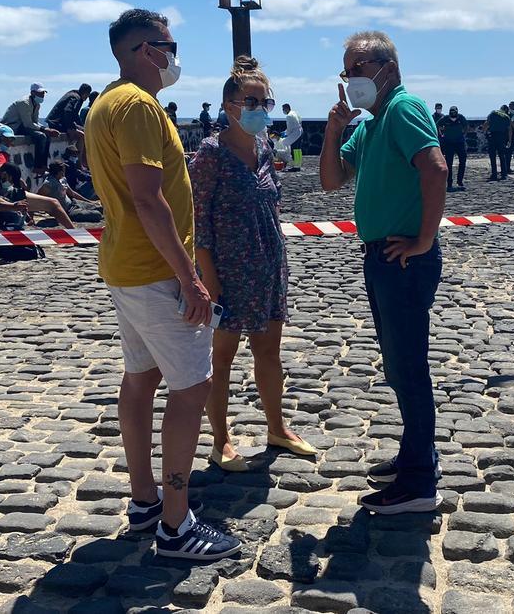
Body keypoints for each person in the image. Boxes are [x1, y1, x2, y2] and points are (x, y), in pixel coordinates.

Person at [84, 8, 240, 561]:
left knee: (140, 377)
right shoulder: (139, 107)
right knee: (191, 387)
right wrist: (190, 279)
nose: (175, 55)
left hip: (125, 267)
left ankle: (146, 499)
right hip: (154, 272)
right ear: (145, 49)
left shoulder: (104, 104)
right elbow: (149, 199)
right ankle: (176, 525)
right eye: (169, 45)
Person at [320, 30, 448, 515]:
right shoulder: (369, 122)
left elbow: (433, 169)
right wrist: (334, 131)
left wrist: (424, 238)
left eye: (356, 69)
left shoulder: (402, 107)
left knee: (409, 367)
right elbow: (331, 181)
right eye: (346, 71)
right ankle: (418, 456)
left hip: (403, 259)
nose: (350, 79)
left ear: (386, 69)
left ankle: (418, 484)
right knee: (398, 366)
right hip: (379, 257)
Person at [189, 56, 315, 474]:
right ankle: (220, 440)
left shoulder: (263, 147)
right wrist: (208, 276)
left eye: (265, 101)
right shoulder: (210, 153)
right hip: (227, 270)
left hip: (268, 265)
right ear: (229, 106)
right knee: (221, 357)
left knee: (268, 351)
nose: (260, 108)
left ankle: (277, 428)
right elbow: (196, 216)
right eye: (251, 101)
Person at [4, 83, 61, 169]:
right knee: (41, 136)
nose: (42, 95)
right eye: (40, 93)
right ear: (33, 93)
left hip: (23, 126)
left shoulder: (36, 104)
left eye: (43, 93)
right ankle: (38, 167)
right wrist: (44, 129)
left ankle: (43, 165)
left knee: (47, 136)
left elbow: (35, 122)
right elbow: (28, 123)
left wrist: (47, 129)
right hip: (14, 126)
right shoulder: (24, 103)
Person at [47, 83, 91, 158]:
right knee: (82, 136)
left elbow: (75, 115)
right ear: (86, 94)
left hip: (55, 121)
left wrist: (81, 126)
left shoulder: (73, 94)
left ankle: (74, 156)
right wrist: (70, 128)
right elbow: (67, 111)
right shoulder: (76, 98)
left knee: (84, 130)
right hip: (57, 123)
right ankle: (78, 162)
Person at [480, 105, 512, 181]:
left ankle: (494, 174)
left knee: (492, 156)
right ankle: (503, 174)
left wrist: (484, 132)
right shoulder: (507, 117)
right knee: (502, 155)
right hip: (501, 137)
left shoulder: (493, 113)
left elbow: (486, 123)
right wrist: (509, 140)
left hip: (492, 136)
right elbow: (509, 129)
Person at [281, 103, 304, 169]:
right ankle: (298, 165)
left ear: (286, 108)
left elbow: (289, 128)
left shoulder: (289, 116)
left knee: (294, 150)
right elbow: (300, 121)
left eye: (283, 109)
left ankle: (296, 166)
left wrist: (285, 134)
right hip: (300, 131)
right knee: (298, 150)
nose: (283, 111)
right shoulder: (295, 112)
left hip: (295, 133)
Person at [504, 100, 514, 174]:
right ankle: (508, 168)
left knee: (504, 152)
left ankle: (504, 167)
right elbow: (512, 123)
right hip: (510, 134)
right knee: (509, 152)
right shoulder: (512, 113)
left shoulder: (504, 113)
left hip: (503, 134)